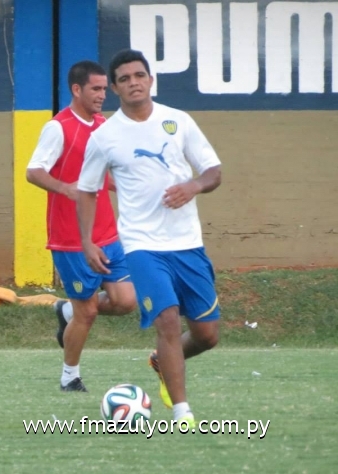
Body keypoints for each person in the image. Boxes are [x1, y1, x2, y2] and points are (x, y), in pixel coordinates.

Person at [77, 49, 221, 428]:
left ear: (151, 80)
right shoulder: (104, 137)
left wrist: (193, 186)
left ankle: (161, 361)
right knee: (168, 321)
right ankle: (183, 413)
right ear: (114, 88)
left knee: (207, 335)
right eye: (124, 79)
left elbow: (213, 171)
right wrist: (88, 242)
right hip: (142, 245)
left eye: (139, 75)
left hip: (187, 243)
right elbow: (87, 190)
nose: (134, 83)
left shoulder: (178, 121)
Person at [26, 60, 136, 392]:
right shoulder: (58, 128)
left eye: (104, 89)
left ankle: (67, 311)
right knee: (87, 312)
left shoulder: (102, 125)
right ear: (77, 90)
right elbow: (34, 171)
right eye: (96, 89)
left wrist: (129, 186)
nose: (103, 95)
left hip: (107, 232)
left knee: (126, 301)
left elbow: (102, 174)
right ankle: (69, 377)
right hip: (71, 239)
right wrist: (66, 188)